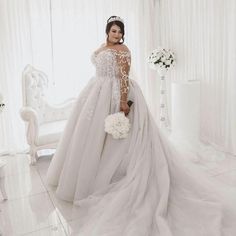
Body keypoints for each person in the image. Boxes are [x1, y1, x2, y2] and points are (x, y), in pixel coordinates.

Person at [46, 16, 236, 235]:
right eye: (114, 31)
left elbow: (124, 78)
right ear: (107, 31)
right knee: (92, 138)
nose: (117, 35)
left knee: (121, 142)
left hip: (116, 94)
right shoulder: (102, 47)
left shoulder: (123, 50)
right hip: (96, 92)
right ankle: (88, 176)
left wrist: (123, 103)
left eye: (120, 32)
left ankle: (114, 175)